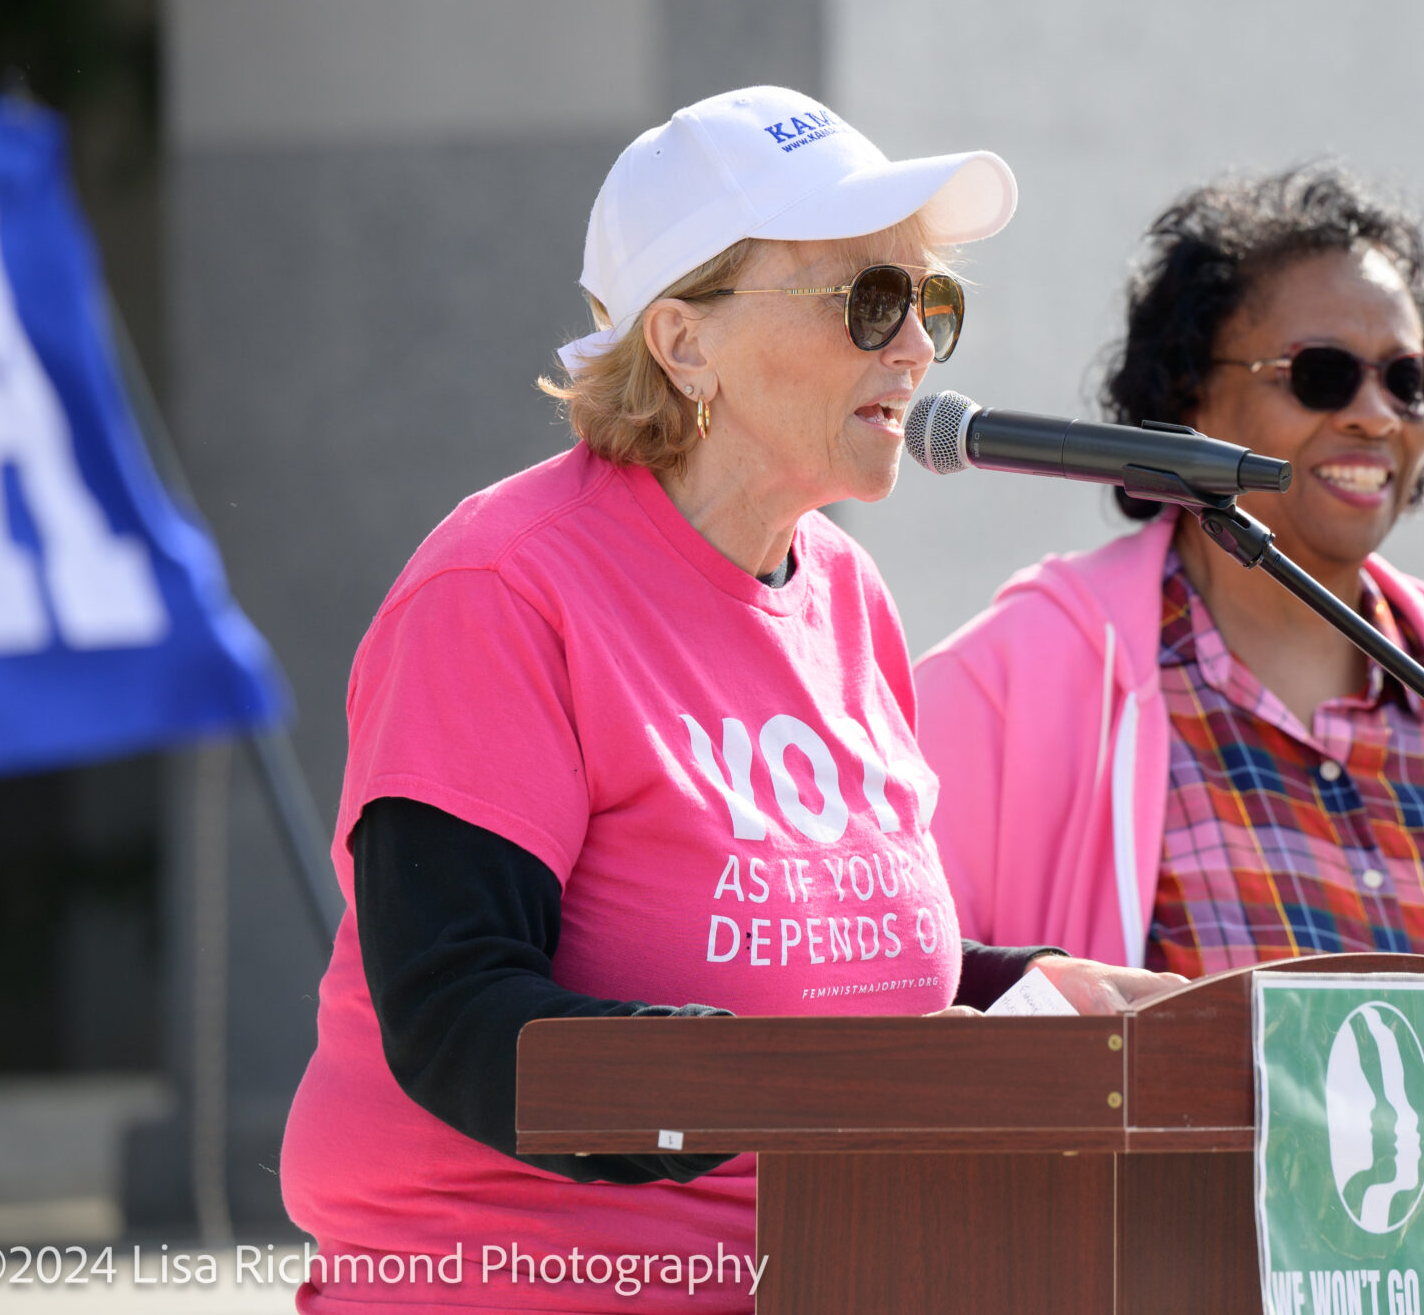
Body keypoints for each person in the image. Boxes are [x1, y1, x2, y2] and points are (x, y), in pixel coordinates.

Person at [279, 88, 1177, 1315]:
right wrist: (837, 1084)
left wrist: (1048, 990)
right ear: (681, 340)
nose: (913, 346)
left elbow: (824, 963)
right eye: (869, 301)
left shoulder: (847, 594)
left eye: (931, 302)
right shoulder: (502, 586)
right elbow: (456, 1014)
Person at [916, 163, 1424, 1314]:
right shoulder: (1013, 682)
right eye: (1321, 374)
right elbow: (884, 1011)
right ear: (1190, 402)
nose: (1375, 414)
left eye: (1410, 379)